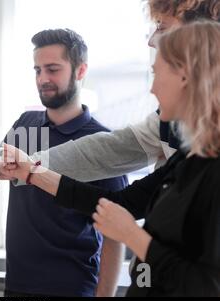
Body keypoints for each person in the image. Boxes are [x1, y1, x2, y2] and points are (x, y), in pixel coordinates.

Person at [0, 20, 220, 297]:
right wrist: (32, 172)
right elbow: (119, 205)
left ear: (185, 78)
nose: (151, 89)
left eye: (157, 73)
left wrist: (132, 236)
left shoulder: (212, 173)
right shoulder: (185, 159)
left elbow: (208, 286)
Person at [0, 29, 128, 297]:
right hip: (16, 288)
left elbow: (115, 236)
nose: (42, 79)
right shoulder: (24, 125)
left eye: (52, 69)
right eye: (37, 70)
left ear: (80, 71)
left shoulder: (104, 145)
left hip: (71, 290)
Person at [29, 0, 220, 182]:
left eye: (162, 27)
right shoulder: (170, 119)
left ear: (200, 33)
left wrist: (29, 167)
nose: (152, 41)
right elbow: (111, 152)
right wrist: (28, 166)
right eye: (38, 70)